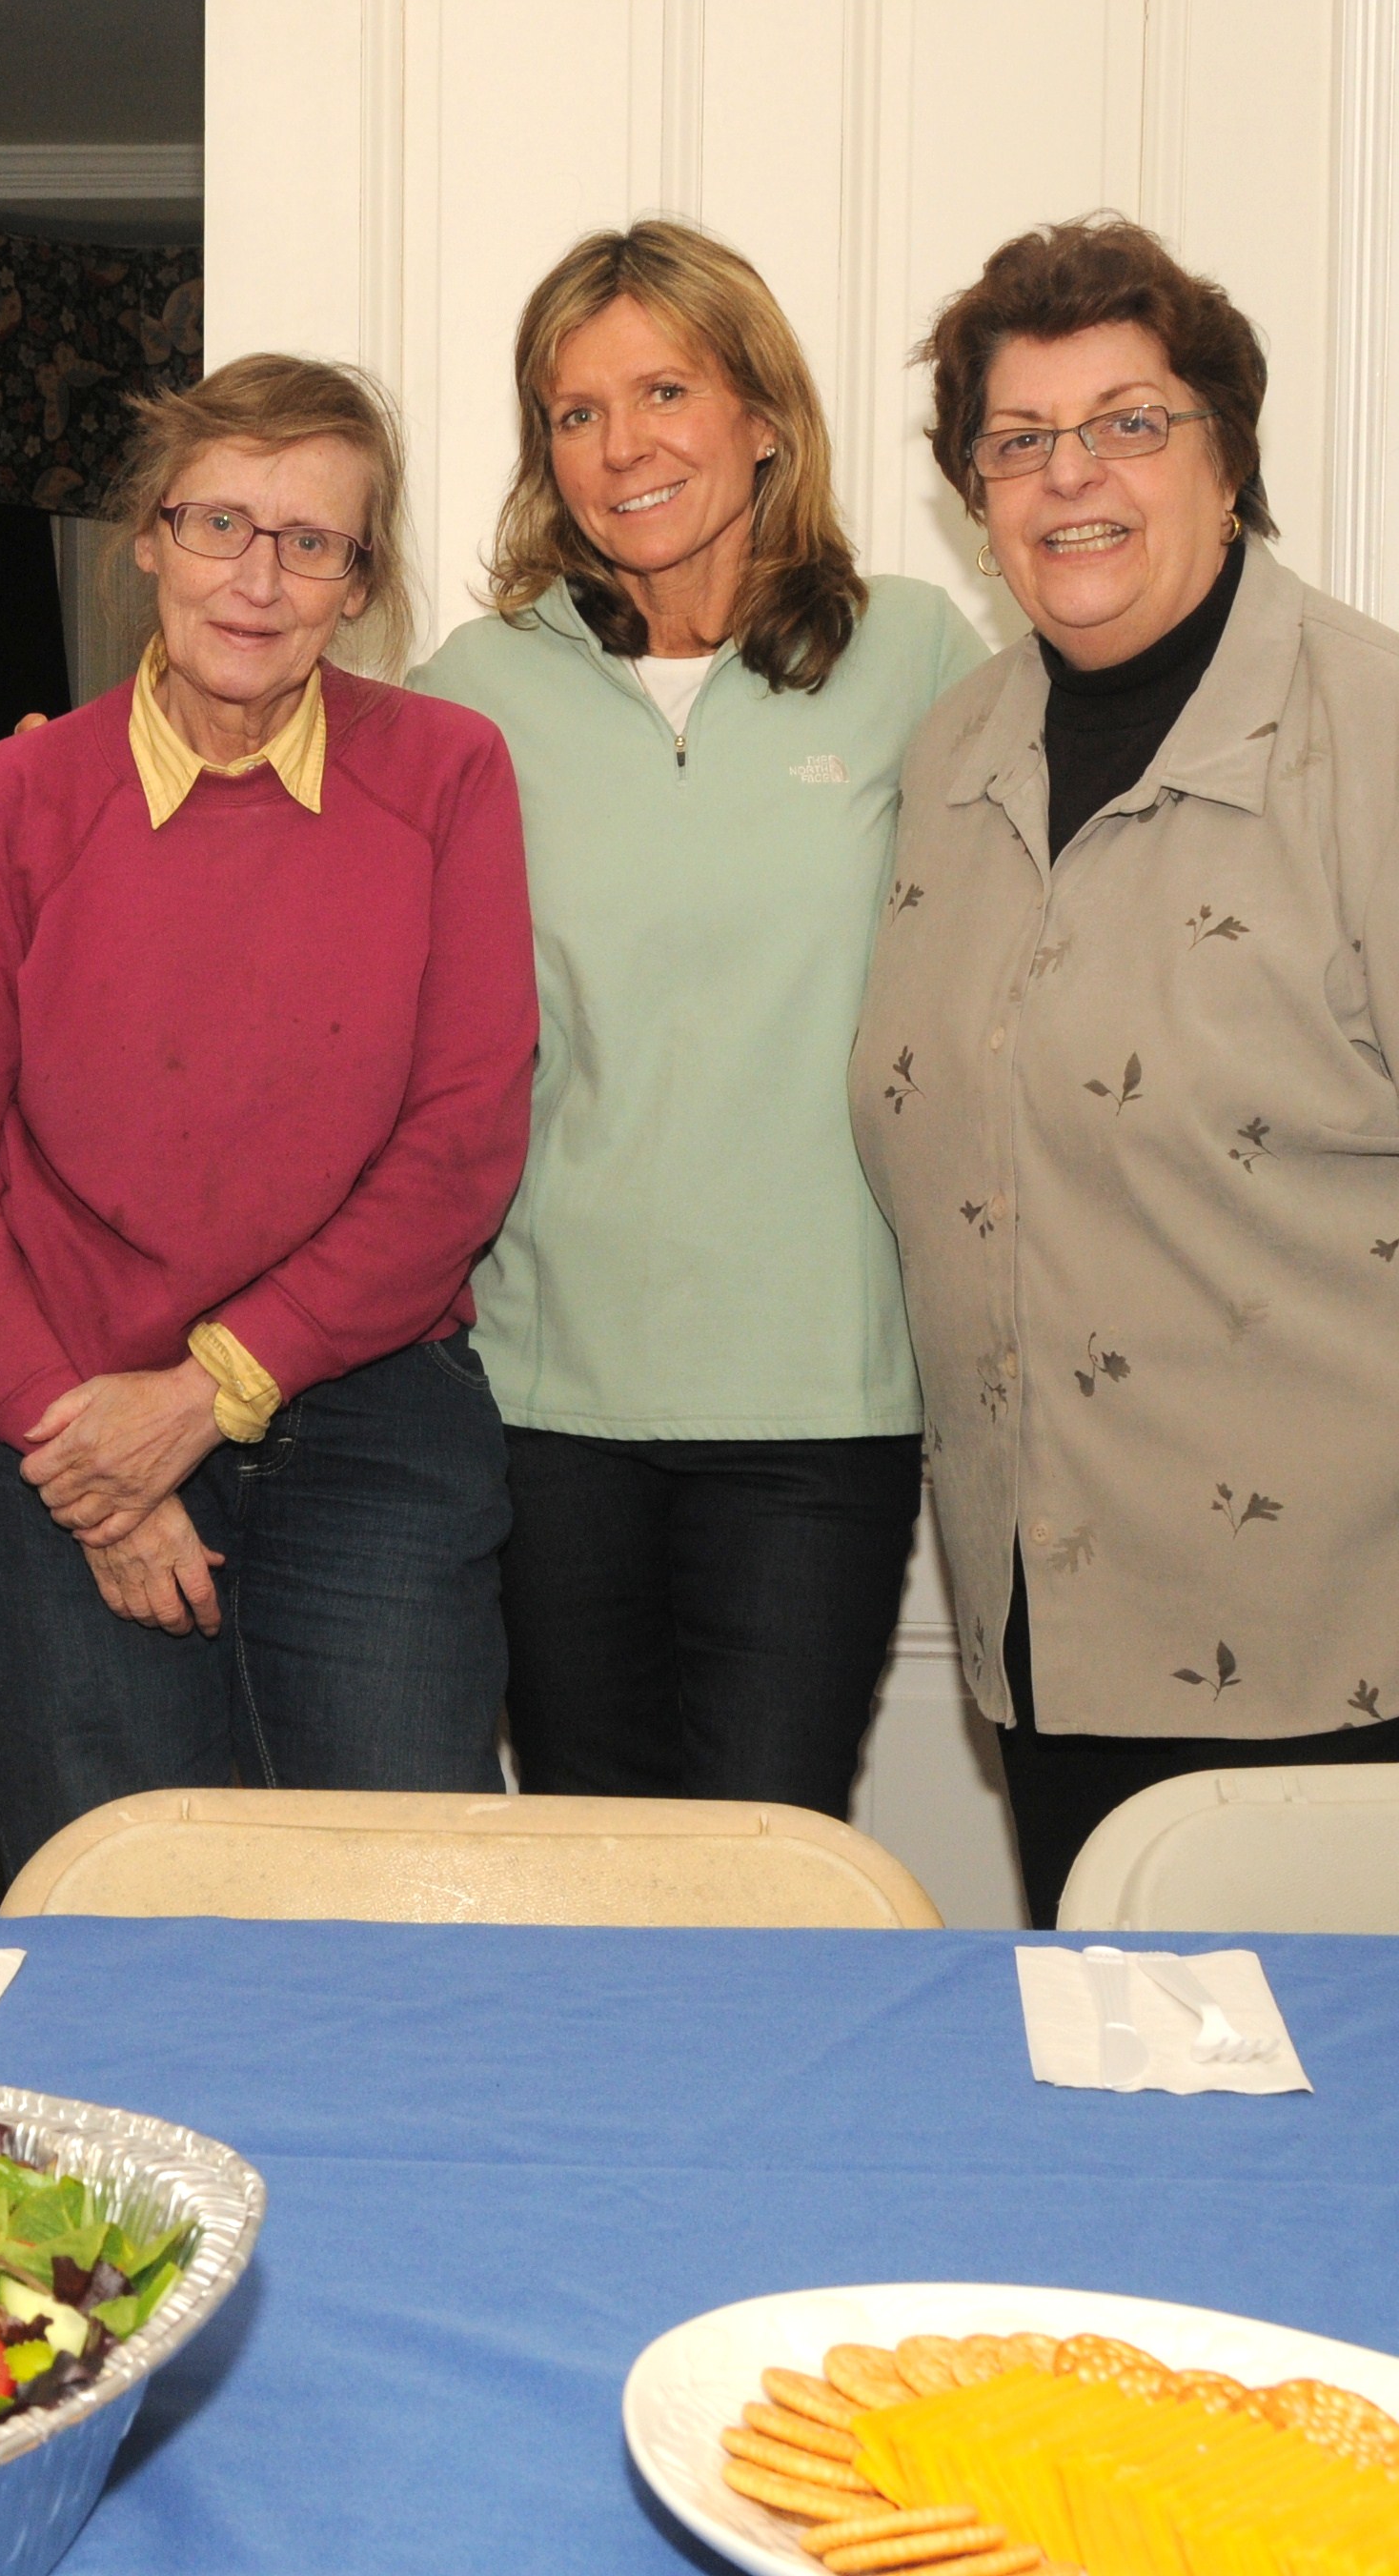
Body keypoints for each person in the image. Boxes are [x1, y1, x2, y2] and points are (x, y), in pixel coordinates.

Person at [853, 215, 1399, 1921]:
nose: (1073, 475)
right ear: (977, 493)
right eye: (1020, 441)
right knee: (1145, 2152)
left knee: (1387, 2171)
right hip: (1063, 1649)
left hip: (1379, 1665)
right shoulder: (953, 766)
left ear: (1226, 463)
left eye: (1132, 423)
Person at [0, 354, 539, 1871]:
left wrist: (202, 1396)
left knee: (398, 1893)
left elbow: (461, 1146)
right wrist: (94, 1468)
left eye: (313, 542)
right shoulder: (16, 802)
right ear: (148, 542)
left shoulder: (447, 774)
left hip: (363, 1411)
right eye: (221, 523)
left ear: (360, 584)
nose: (259, 578)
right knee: (118, 1897)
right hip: (49, 1412)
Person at [412, 220, 986, 1816]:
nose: (622, 446)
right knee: (599, 1866)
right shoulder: (471, 687)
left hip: (821, 1398)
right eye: (575, 411)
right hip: (542, 1396)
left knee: (769, 1864)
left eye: (665, 389)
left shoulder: (919, 655)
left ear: (763, 418)